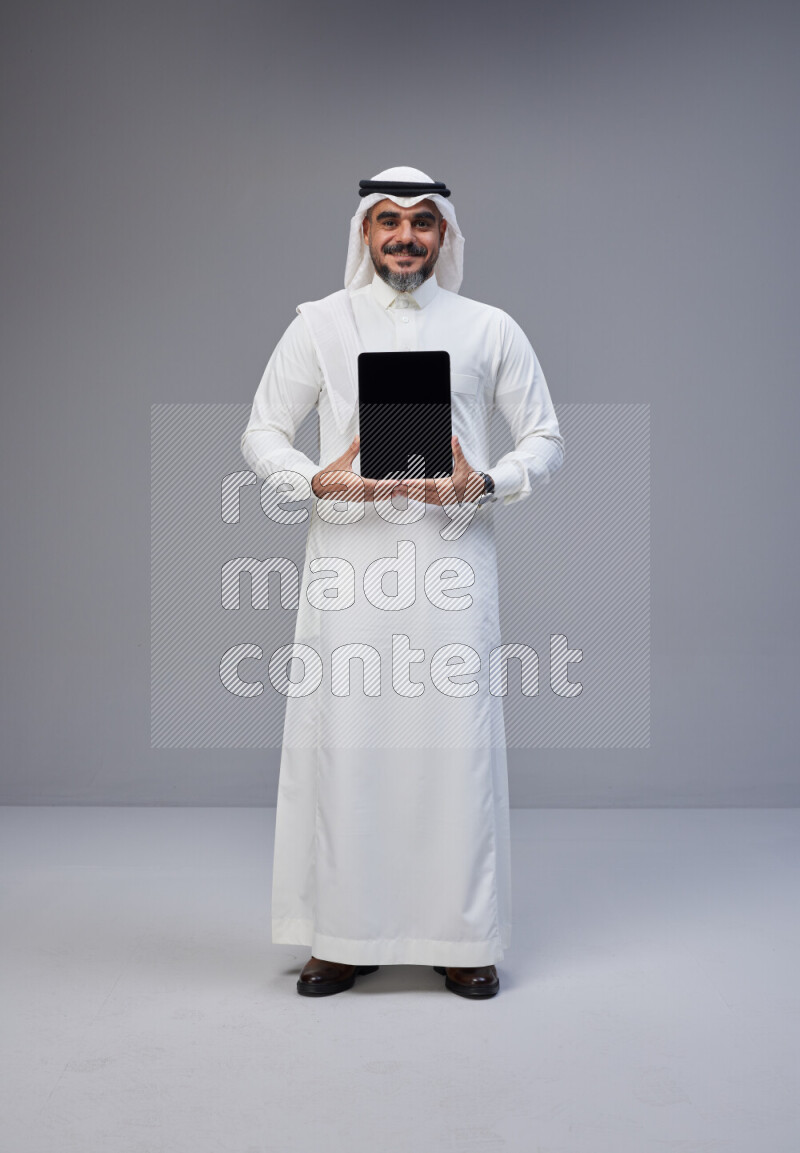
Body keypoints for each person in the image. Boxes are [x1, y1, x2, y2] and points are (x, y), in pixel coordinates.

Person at [240, 166, 564, 999]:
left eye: (422, 221)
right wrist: (315, 479)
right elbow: (263, 433)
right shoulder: (320, 325)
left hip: (453, 569)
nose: (405, 236)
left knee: (454, 750)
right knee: (348, 745)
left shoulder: (489, 327)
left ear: (445, 233)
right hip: (349, 574)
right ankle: (343, 937)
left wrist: (485, 482)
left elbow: (545, 437)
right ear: (365, 232)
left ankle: (461, 936)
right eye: (389, 220)